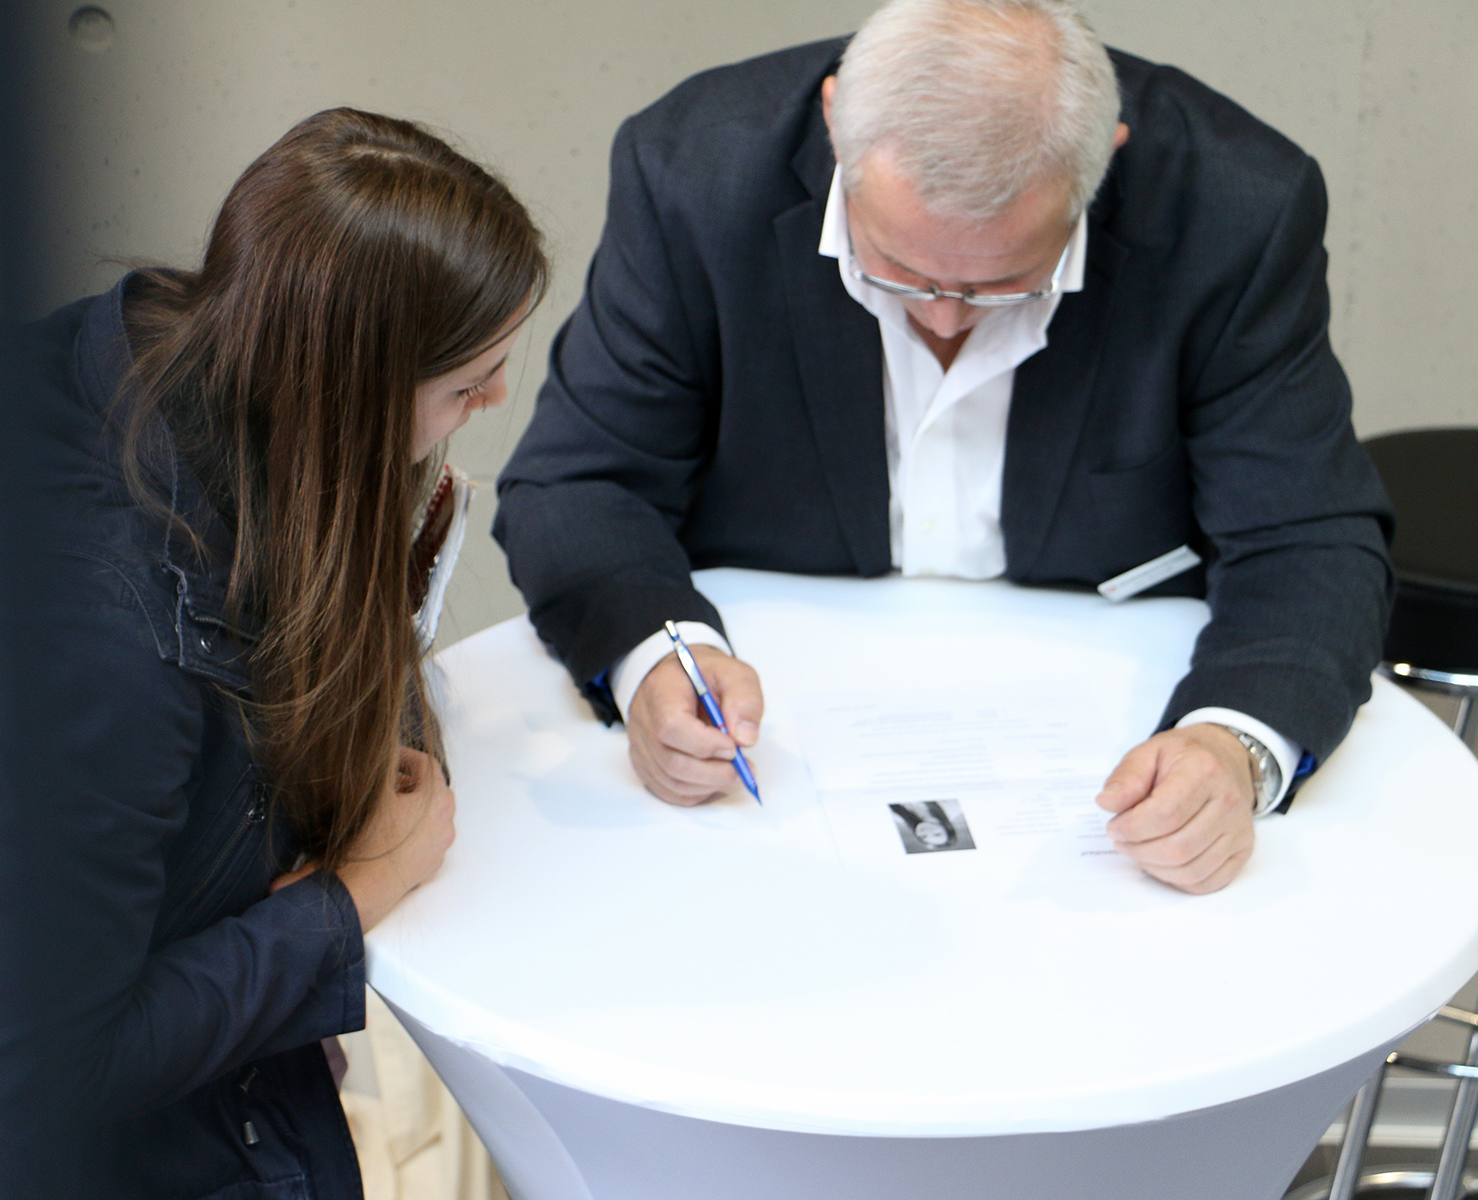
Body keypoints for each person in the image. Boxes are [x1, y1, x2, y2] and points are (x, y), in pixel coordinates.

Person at [494, 0, 1392, 895]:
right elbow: (581, 482)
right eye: (892, 267)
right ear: (837, 125)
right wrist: (657, 659)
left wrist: (1233, 743)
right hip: (773, 753)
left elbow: (1305, 537)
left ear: (1103, 162)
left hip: (1098, 744)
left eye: (1004, 284)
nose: (943, 315)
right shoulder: (694, 172)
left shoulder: (1238, 207)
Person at [0, 108, 546, 1199]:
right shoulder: (95, 647)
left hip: (240, 1111)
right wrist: (347, 898)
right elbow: (46, 1069)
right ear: (352, 394)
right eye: (469, 381)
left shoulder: (251, 442)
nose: (496, 402)